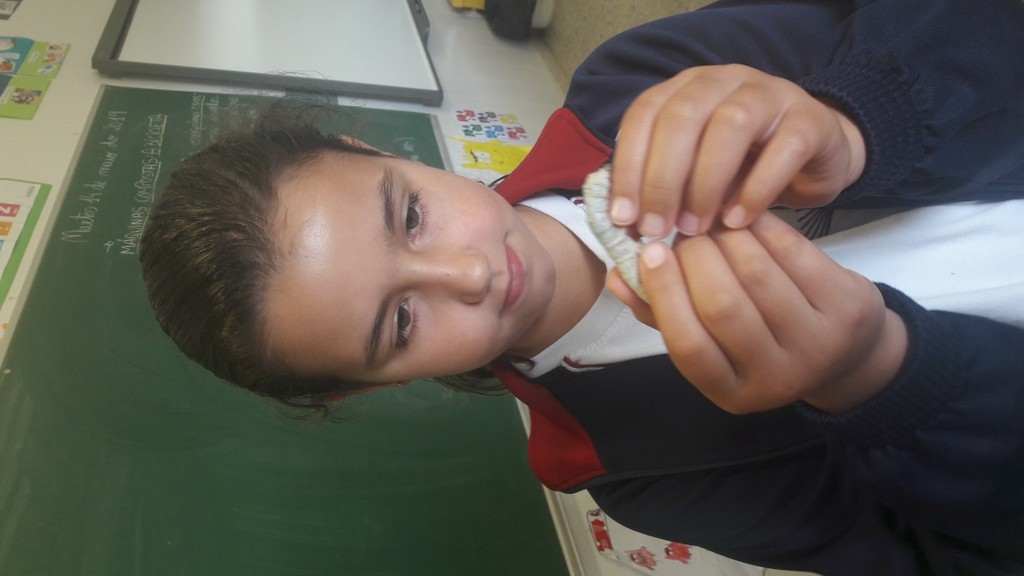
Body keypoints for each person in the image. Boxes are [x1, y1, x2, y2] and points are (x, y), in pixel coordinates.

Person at [139, 0, 1024, 574]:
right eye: (401, 322)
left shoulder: (636, 81)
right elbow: (964, 552)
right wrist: (879, 379)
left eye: (409, 216)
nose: (471, 274)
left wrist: (862, 115)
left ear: (374, 150)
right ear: (369, 388)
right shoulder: (638, 473)